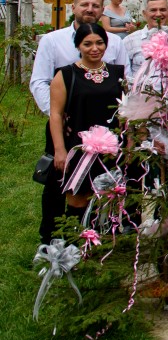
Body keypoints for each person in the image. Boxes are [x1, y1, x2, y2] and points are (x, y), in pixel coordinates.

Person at [30, 0, 129, 243]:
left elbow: (123, 84)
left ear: (102, 10)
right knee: (58, 184)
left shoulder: (115, 42)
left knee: (101, 184)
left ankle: (91, 237)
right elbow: (39, 81)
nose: (90, 9)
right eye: (84, 4)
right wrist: (60, 115)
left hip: (105, 132)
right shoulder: (53, 41)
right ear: (73, 7)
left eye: (95, 5)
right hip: (68, 126)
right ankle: (50, 238)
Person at [47, 23, 126, 225]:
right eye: (87, 44)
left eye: (99, 43)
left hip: (112, 149)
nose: (94, 48)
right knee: (78, 197)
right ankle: (76, 238)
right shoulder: (66, 75)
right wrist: (59, 150)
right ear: (78, 46)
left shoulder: (119, 73)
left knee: (107, 198)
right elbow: (55, 114)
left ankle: (101, 237)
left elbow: (128, 111)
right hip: (78, 147)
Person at [125, 0, 168, 72]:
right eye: (153, 10)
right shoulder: (130, 41)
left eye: (163, 10)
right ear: (144, 13)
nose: (158, 14)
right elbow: (124, 73)